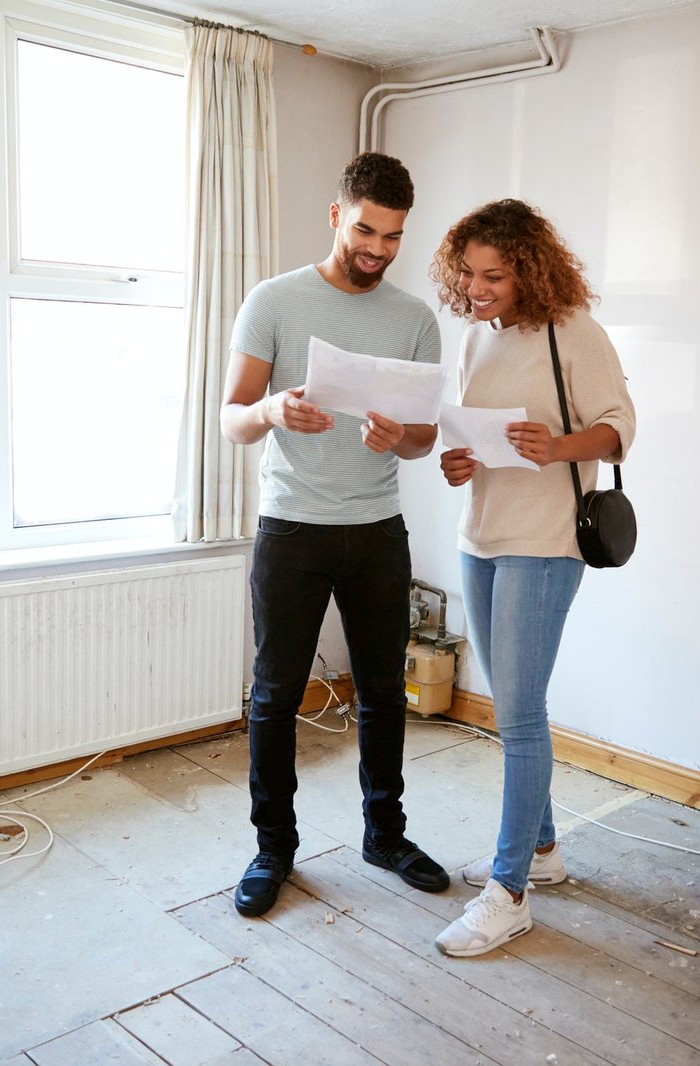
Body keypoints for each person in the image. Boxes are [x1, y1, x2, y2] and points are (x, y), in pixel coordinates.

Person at [220, 153, 450, 918]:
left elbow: (423, 438)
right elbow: (231, 418)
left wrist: (402, 440)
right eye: (365, 229)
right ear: (335, 215)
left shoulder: (414, 319)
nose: (378, 249)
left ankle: (385, 835)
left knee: (385, 691)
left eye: (393, 236)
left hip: (377, 529)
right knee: (276, 695)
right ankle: (273, 848)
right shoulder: (274, 300)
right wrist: (272, 413)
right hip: (291, 529)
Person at [428, 199, 637, 956]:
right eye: (469, 275)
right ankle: (543, 850)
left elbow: (620, 428)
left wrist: (557, 449)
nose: (478, 290)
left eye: (494, 276)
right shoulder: (474, 338)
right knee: (508, 703)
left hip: (546, 541)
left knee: (517, 715)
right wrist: (456, 462)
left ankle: (510, 890)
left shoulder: (574, 332)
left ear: (531, 270)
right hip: (480, 533)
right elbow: (464, 435)